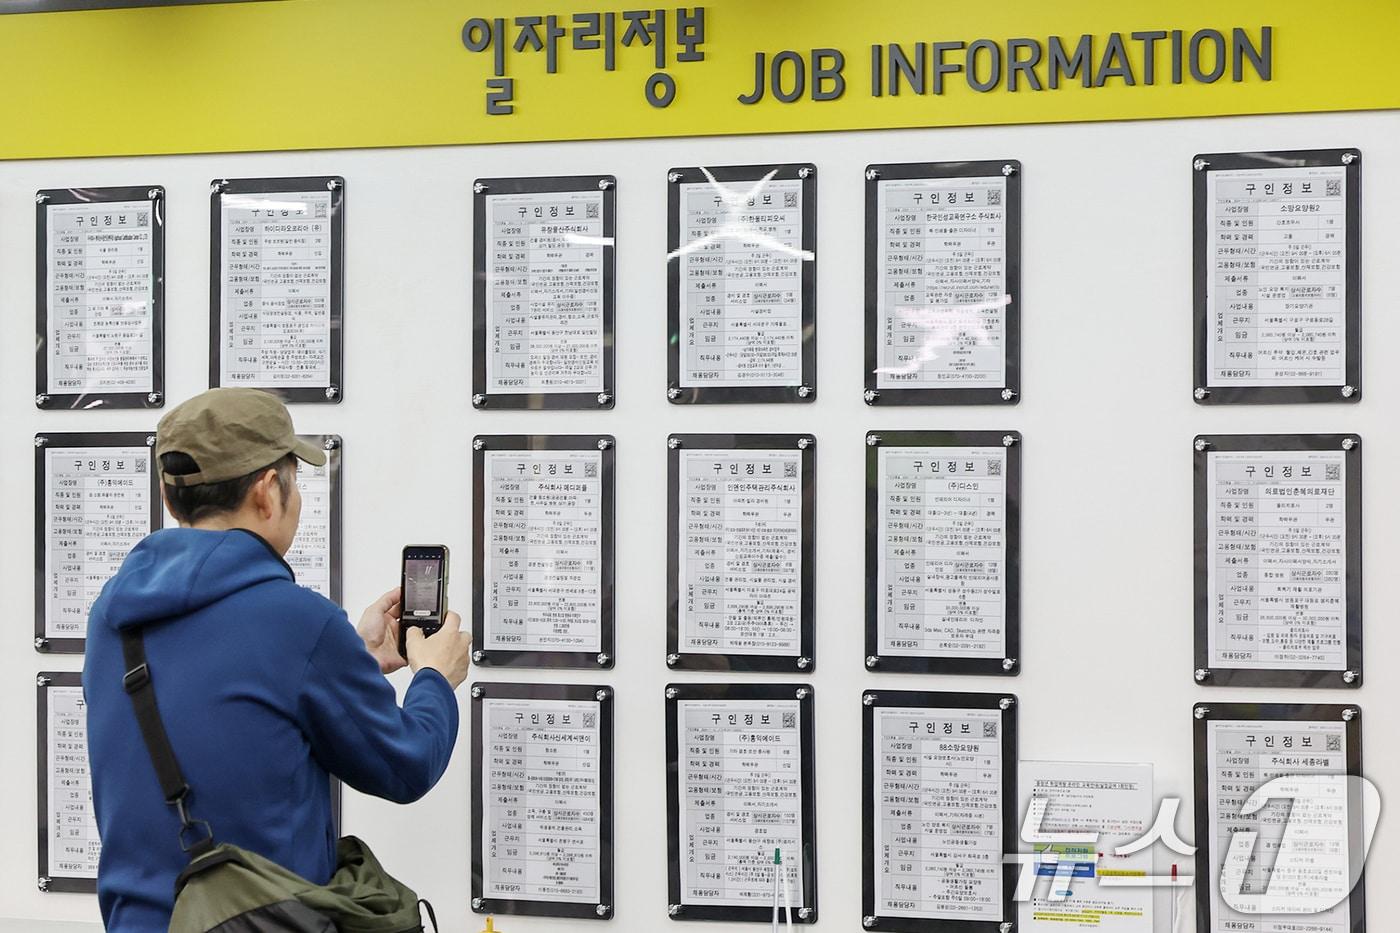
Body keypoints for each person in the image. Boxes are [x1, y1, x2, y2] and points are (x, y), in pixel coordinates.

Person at [82, 388, 472, 932]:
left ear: (172, 501)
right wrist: (434, 676)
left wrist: (350, 657)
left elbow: (230, 710)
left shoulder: (111, 616)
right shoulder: (296, 622)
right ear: (269, 493)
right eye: (294, 478)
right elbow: (406, 766)